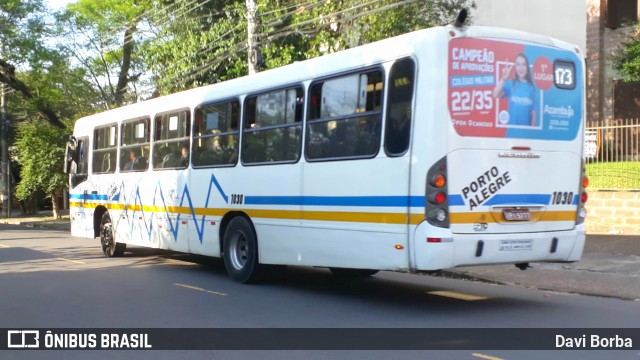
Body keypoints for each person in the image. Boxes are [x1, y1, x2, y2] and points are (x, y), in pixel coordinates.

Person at [493, 53, 538, 126]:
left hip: (525, 132)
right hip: (512, 130)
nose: (520, 68)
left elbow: (533, 113)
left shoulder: (531, 87)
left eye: (523, 65)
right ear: (515, 67)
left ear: (527, 67)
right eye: (518, 64)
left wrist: (532, 132)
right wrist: (503, 79)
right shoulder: (511, 83)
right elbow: (495, 94)